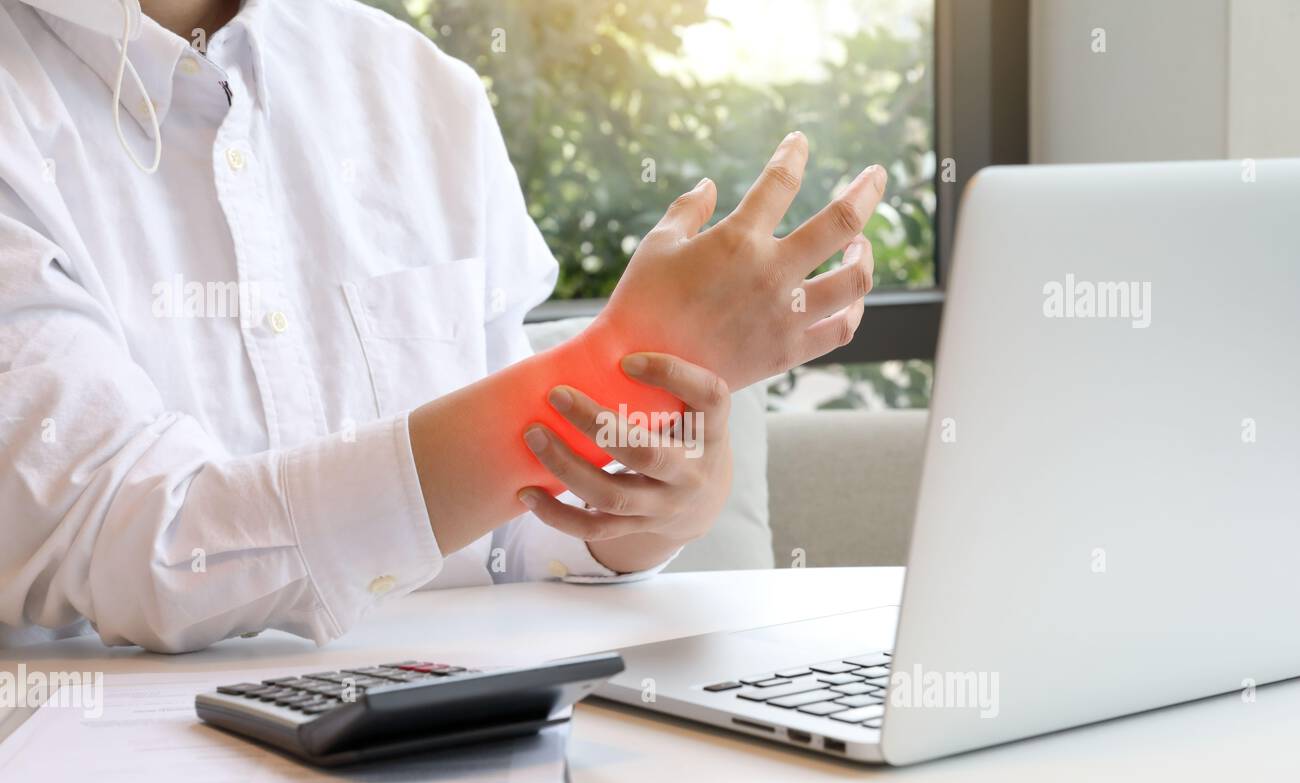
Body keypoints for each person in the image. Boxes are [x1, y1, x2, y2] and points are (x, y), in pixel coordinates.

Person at [0, 0, 886, 652]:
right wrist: (599, 362)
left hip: (473, 748)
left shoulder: (417, 89)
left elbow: (514, 534)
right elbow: (142, 544)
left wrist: (647, 506)